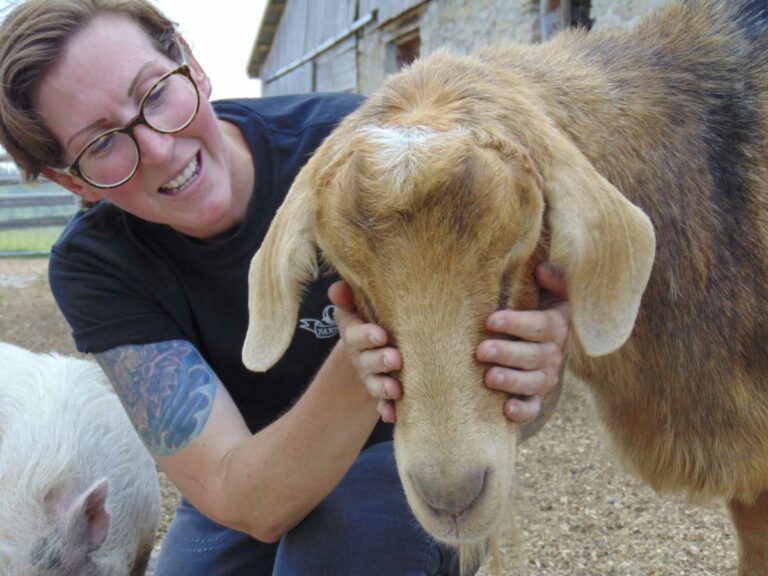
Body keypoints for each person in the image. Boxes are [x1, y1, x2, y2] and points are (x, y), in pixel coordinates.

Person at [0, 1, 570, 574]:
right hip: (257, 463)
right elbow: (238, 494)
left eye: (154, 93)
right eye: (101, 144)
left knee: (332, 555)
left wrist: (531, 360)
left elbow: (535, 331)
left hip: (396, 443)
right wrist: (370, 346)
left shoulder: (364, 157)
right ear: (69, 181)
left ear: (192, 64)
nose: (159, 148)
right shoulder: (95, 264)